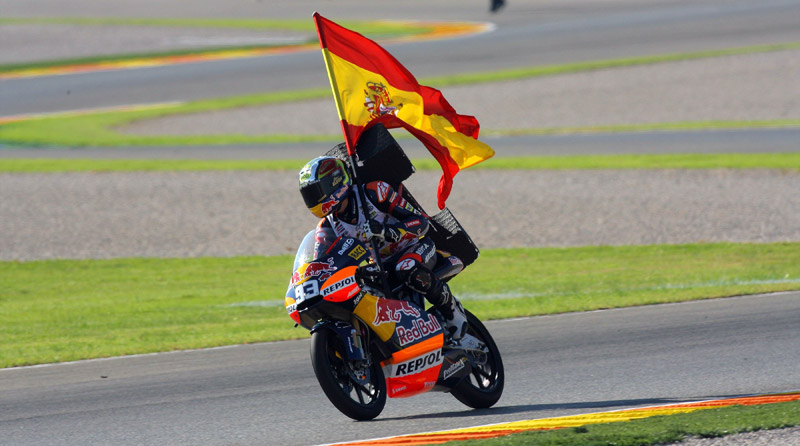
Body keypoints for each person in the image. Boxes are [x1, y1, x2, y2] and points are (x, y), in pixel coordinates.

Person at [298, 155, 468, 340]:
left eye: (315, 192)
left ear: (334, 183)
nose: (313, 199)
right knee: (359, 289)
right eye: (308, 195)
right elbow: (324, 264)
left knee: (406, 267)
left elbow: (420, 222)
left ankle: (451, 309)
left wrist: (389, 231)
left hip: (414, 247)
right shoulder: (327, 226)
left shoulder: (374, 192)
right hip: (381, 264)